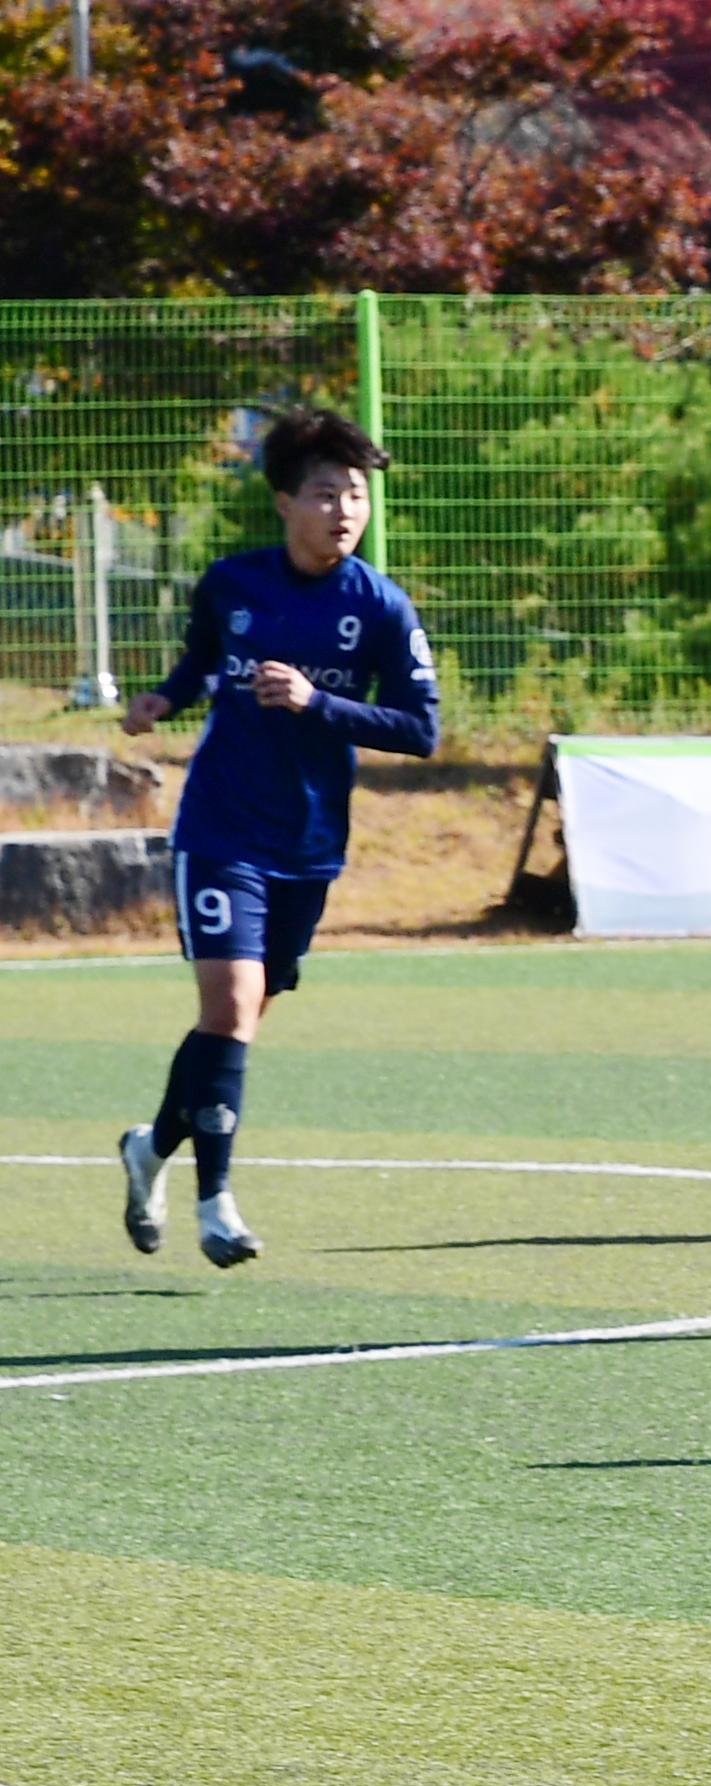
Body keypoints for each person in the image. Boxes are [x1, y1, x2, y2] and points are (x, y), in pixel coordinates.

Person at [115, 409, 439, 1269]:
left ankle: (149, 1148)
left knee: (243, 1018)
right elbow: (199, 667)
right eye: (327, 493)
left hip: (309, 840)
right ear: (285, 501)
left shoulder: (379, 605)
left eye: (357, 496)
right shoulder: (231, 584)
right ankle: (215, 1202)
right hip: (221, 829)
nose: (345, 511)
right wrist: (162, 701)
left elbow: (422, 729)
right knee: (227, 1005)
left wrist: (318, 703)